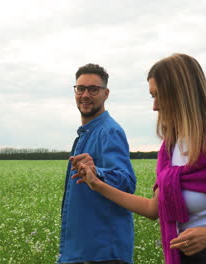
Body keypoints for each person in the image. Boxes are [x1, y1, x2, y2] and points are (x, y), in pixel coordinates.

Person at [71, 54, 206, 264]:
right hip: (186, 258)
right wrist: (96, 184)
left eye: (158, 95)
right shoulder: (169, 149)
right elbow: (153, 209)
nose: (155, 106)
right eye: (152, 96)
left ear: (181, 94)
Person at [58, 63, 137, 264]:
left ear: (106, 93)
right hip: (82, 250)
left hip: (103, 252)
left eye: (93, 89)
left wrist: (97, 172)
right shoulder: (87, 133)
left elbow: (127, 182)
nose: (85, 95)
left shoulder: (109, 131)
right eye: (80, 88)